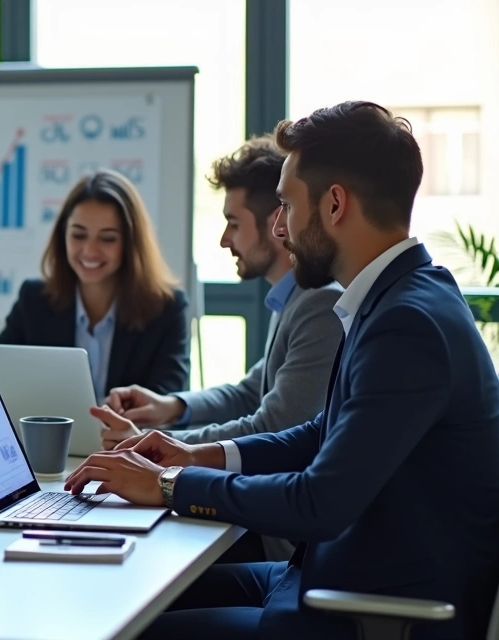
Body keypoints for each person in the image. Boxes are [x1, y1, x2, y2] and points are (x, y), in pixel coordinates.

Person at [65, 102, 499, 639]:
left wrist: (172, 485)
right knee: (130, 593)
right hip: (323, 578)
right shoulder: (404, 295)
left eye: (288, 205)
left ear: (335, 204)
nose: (281, 226)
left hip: (367, 610)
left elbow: (319, 502)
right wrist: (197, 455)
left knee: (129, 628)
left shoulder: (405, 324)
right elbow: (325, 432)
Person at [102, 137, 343, 561]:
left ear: (276, 222)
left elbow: (272, 423)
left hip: (278, 540)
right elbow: (251, 391)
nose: (223, 240)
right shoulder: (293, 300)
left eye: (233, 223)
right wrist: (171, 407)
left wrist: (158, 447)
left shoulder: (318, 304)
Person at [0, 169, 190, 401]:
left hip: (128, 438)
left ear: (130, 244)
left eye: (107, 238)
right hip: (51, 438)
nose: (90, 251)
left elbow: (167, 401)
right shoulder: (34, 300)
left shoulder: (166, 308)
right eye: (78, 235)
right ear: (63, 236)